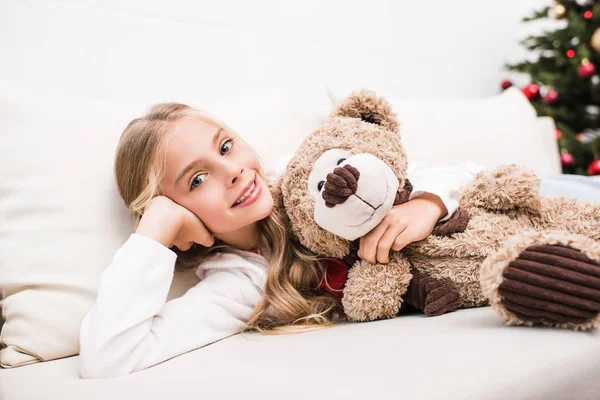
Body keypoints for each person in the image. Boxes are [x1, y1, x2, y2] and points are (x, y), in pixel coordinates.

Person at [78, 103, 474, 379]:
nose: (232, 172)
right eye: (197, 180)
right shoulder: (238, 282)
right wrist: (156, 231)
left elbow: (457, 172)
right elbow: (108, 358)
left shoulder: (302, 175)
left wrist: (427, 202)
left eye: (226, 147)